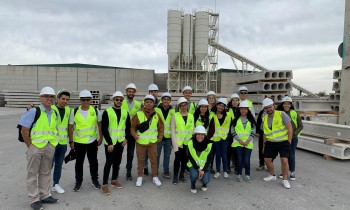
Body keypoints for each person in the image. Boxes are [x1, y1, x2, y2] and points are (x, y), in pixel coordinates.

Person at [19, 87, 59, 210]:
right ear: (41, 98)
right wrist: (30, 145)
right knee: (32, 173)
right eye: (46, 96)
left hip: (49, 145)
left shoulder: (54, 112)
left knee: (46, 172)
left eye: (51, 96)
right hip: (35, 147)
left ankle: (45, 195)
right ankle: (34, 199)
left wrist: (52, 144)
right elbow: (24, 130)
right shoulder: (33, 111)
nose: (49, 98)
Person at [68, 90, 103, 192]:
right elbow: (70, 127)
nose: (85, 101)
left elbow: (100, 125)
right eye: (83, 99)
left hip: (92, 141)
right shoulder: (74, 112)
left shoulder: (95, 111)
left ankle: (95, 180)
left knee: (93, 162)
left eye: (87, 99)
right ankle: (78, 182)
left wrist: (101, 138)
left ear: (91, 100)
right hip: (79, 142)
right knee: (79, 163)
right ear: (80, 100)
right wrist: (71, 142)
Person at [101, 91, 131, 195]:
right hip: (110, 143)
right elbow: (104, 128)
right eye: (117, 99)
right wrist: (109, 143)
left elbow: (128, 127)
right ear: (113, 100)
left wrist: (126, 138)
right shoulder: (107, 112)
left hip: (120, 142)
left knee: (117, 162)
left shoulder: (125, 112)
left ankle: (114, 180)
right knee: (109, 162)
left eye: (121, 99)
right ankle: (105, 184)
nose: (119, 101)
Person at [131, 95, 164, 187]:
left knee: (154, 160)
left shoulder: (157, 115)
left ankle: (155, 176)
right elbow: (132, 127)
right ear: (144, 103)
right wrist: (134, 135)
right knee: (140, 160)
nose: (149, 104)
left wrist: (159, 138)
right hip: (141, 142)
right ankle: (140, 177)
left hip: (152, 142)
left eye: (151, 102)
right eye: (147, 102)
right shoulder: (138, 114)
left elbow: (161, 127)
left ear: (153, 103)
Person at [261, 98, 293, 189]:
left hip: (283, 142)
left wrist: (289, 142)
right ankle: (272, 175)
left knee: (284, 161)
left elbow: (290, 129)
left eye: (270, 107)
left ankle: (285, 179)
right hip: (270, 142)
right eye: (266, 108)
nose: (269, 109)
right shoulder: (264, 118)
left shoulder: (281, 114)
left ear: (273, 105)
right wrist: (264, 145)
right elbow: (265, 133)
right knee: (267, 160)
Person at [276, 96, 303, 181]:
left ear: (291, 105)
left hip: (293, 138)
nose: (286, 105)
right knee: (284, 156)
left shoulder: (294, 113)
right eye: (285, 104)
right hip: (283, 138)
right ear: (282, 104)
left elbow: (300, 126)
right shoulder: (279, 113)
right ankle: (284, 172)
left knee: (291, 155)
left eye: (288, 104)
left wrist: (294, 134)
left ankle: (292, 172)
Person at [51, 89, 71, 194]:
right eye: (63, 99)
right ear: (58, 99)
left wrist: (71, 141)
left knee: (58, 164)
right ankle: (44, 187)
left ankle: (56, 184)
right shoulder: (51, 109)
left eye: (67, 99)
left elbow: (70, 126)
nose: (65, 101)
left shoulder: (69, 110)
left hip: (62, 143)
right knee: (47, 165)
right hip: (51, 143)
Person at [231, 101, 256, 182]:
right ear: (239, 110)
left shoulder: (251, 120)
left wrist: (247, 141)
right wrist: (240, 141)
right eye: (242, 109)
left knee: (247, 160)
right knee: (239, 159)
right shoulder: (235, 120)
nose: (243, 110)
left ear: (248, 110)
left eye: (245, 109)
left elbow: (253, 131)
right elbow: (232, 131)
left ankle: (247, 175)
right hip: (238, 143)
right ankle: (239, 174)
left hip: (248, 143)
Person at [171, 97, 194, 184]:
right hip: (178, 142)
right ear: (179, 106)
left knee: (185, 159)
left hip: (187, 143)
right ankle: (175, 176)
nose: (184, 107)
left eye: (185, 105)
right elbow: (172, 131)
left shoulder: (191, 116)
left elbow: (192, 129)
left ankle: (182, 175)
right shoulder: (175, 115)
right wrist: (175, 145)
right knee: (177, 159)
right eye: (182, 105)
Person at [207, 98, 231, 179]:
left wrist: (228, 136)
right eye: (219, 105)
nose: (221, 107)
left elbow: (231, 127)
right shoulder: (212, 115)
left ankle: (225, 171)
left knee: (224, 155)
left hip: (225, 139)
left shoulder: (228, 115)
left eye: (222, 106)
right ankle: (217, 171)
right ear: (217, 105)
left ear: (224, 107)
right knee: (218, 155)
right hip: (216, 138)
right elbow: (210, 127)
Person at [122, 83, 141, 181]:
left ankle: (128, 172)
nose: (131, 93)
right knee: (118, 153)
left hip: (132, 133)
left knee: (130, 153)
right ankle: (115, 171)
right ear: (126, 92)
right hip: (121, 133)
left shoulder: (138, 104)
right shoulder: (121, 102)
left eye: (133, 92)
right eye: (129, 91)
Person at [187, 125, 213, 193]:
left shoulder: (209, 144)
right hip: (194, 165)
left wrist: (203, 170)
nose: (200, 136)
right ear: (195, 135)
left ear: (204, 135)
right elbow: (191, 159)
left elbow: (209, 159)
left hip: (204, 166)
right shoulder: (190, 143)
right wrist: (199, 170)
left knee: (206, 180)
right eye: (198, 134)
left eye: (202, 134)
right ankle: (193, 185)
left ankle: (204, 184)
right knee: (194, 175)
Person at [155, 92, 175, 179]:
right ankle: (155, 170)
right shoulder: (156, 109)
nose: (166, 101)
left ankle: (166, 170)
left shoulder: (173, 111)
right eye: (164, 99)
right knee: (157, 155)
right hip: (159, 137)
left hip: (168, 137)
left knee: (167, 155)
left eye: (168, 99)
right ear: (162, 100)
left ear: (170, 101)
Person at [143, 83, 160, 176]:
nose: (153, 93)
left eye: (155, 92)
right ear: (149, 92)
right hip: (146, 132)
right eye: (152, 92)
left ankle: (154, 169)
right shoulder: (144, 103)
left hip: (155, 131)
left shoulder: (160, 103)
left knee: (154, 152)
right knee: (145, 151)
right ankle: (145, 167)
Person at [227, 93, 240, 174]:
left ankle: (236, 166)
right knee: (229, 150)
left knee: (236, 151)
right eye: (233, 100)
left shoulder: (241, 110)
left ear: (238, 101)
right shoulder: (228, 110)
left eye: (236, 100)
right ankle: (228, 167)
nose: (234, 102)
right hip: (230, 133)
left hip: (238, 133)